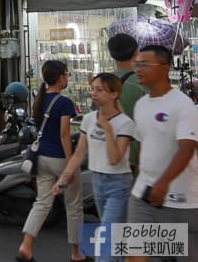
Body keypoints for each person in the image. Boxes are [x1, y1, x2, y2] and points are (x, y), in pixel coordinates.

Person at [124, 44, 198, 262]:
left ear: (165, 68)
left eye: (145, 64)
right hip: (143, 194)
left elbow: (187, 148)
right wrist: (139, 177)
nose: (138, 68)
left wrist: (164, 182)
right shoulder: (141, 104)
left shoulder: (183, 105)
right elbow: (143, 146)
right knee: (135, 254)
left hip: (180, 198)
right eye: (137, 64)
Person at [53, 73, 134, 262]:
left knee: (105, 237)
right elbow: (79, 153)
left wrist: (107, 129)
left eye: (99, 90)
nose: (94, 93)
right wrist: (63, 179)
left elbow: (115, 159)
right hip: (98, 181)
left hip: (118, 184)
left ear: (114, 94)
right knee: (112, 237)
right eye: (93, 89)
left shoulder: (125, 123)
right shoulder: (89, 119)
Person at [16, 60, 84, 262]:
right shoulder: (64, 103)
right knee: (73, 205)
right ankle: (76, 253)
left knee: (42, 203)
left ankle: (26, 246)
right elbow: (65, 134)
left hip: (41, 157)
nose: (67, 78)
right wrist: (70, 163)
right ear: (61, 77)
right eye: (66, 74)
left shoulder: (40, 99)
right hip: (60, 158)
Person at [106, 32, 146, 170]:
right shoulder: (142, 82)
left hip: (110, 148)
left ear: (111, 54)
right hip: (136, 149)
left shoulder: (103, 82)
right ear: (136, 52)